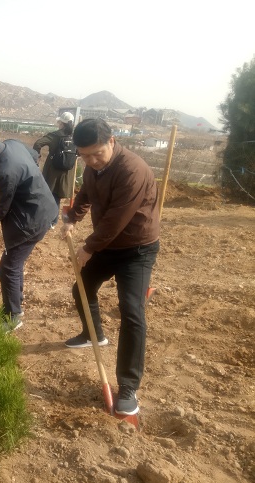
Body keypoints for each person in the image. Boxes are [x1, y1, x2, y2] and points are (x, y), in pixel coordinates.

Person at [61, 118, 160, 416]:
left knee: (131, 311)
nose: (90, 161)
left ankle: (128, 386)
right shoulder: (93, 167)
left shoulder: (132, 169)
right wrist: (72, 216)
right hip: (108, 245)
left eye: (96, 154)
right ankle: (94, 334)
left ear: (112, 141)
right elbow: (86, 193)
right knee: (82, 287)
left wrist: (88, 247)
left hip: (136, 249)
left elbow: (117, 218)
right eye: (84, 155)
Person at [0, 123, 58, 331]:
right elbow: (34, 155)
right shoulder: (13, 144)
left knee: (7, 268)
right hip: (42, 207)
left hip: (31, 220)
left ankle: (13, 317)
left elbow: (0, 211)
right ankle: (16, 305)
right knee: (14, 265)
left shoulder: (5, 171)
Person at [33, 112, 77, 224]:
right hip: (67, 173)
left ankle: (50, 220)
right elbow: (80, 151)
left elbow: (38, 143)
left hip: (53, 171)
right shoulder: (76, 137)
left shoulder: (55, 136)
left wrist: (37, 158)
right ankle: (53, 221)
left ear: (61, 123)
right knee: (57, 196)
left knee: (50, 195)